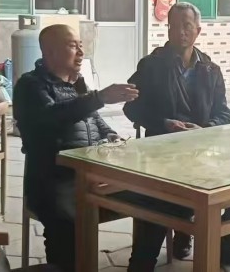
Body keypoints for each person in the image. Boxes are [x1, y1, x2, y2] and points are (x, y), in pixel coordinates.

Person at [124, 2, 230, 268]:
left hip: (202, 153)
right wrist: (164, 123)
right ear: (168, 30)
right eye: (174, 26)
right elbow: (132, 108)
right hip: (161, 153)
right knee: (161, 199)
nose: (181, 32)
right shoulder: (151, 65)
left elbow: (224, 113)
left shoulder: (210, 69)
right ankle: (147, 256)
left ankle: (223, 244)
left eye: (187, 26)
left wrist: (205, 129)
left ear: (198, 30)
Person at [13, 24, 140, 272]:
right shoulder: (30, 86)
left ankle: (143, 263)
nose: (81, 52)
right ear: (49, 52)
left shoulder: (76, 83)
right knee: (68, 229)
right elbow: (52, 117)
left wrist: (111, 135)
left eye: (81, 45)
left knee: (150, 199)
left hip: (91, 175)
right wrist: (99, 98)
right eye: (73, 46)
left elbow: (94, 119)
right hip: (54, 180)